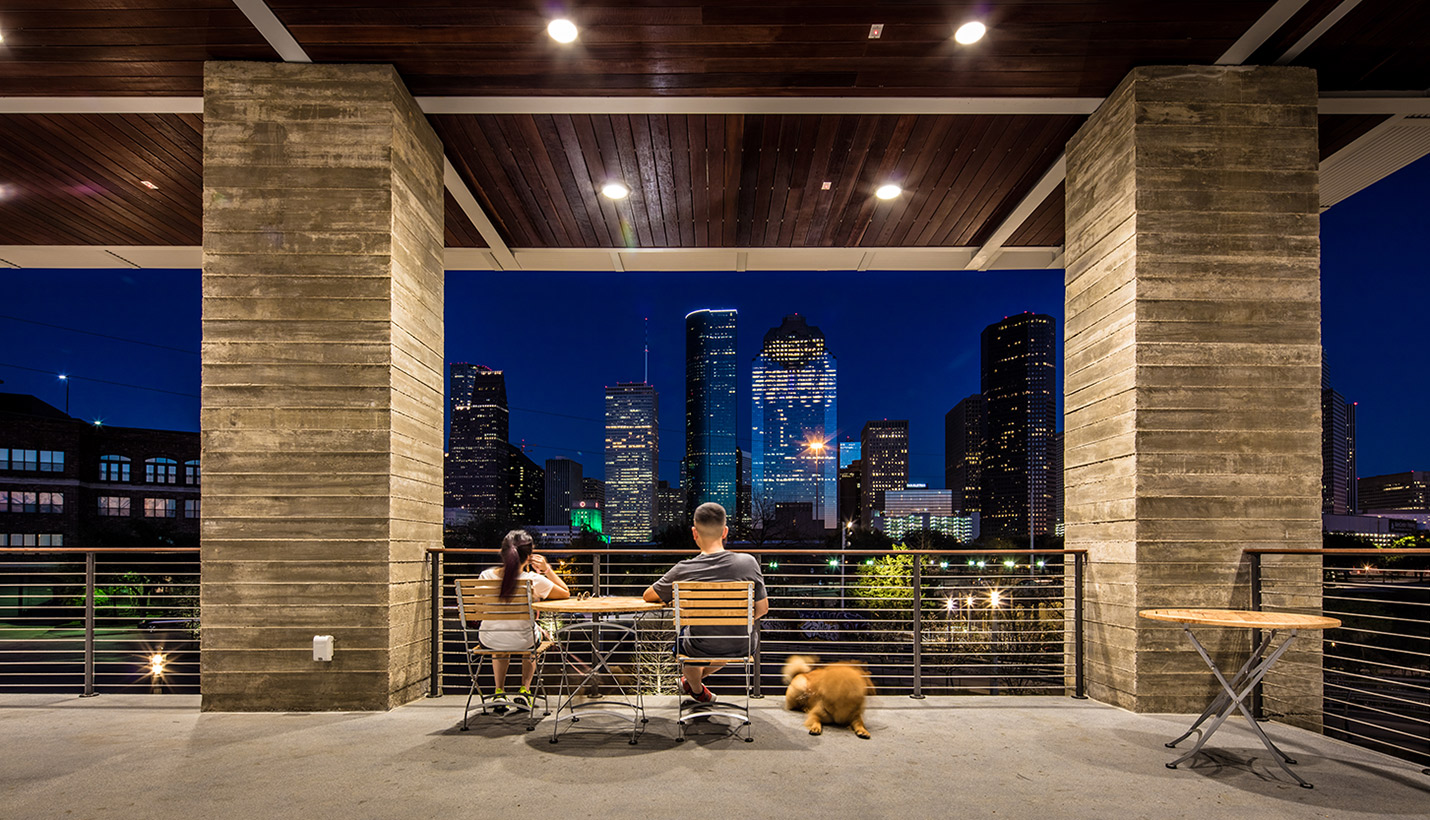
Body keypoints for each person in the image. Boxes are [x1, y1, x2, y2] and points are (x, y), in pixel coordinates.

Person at [643, 502, 767, 703]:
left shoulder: (683, 569)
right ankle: (694, 686)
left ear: (694, 533)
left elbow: (649, 595)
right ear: (725, 531)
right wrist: (730, 618)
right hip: (742, 645)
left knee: (686, 645)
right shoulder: (749, 562)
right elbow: (762, 609)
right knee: (722, 639)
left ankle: (695, 687)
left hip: (698, 646)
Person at [478, 529, 570, 710]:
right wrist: (547, 569)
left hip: (489, 640)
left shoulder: (485, 576)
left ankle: (499, 692)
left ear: (503, 552)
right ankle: (525, 691)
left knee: (502, 636)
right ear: (528, 557)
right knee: (530, 641)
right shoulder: (533, 579)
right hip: (524, 641)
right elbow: (565, 592)